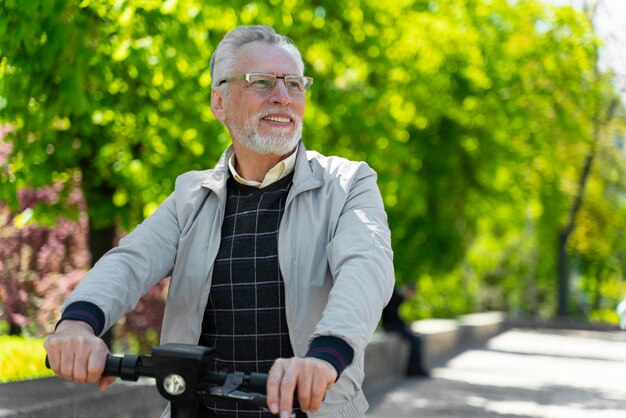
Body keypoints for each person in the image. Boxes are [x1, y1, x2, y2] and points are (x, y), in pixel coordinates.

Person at [44, 25, 395, 418]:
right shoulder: (190, 196)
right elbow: (129, 261)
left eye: (294, 84)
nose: (282, 97)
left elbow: (366, 269)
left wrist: (325, 357)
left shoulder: (349, 184)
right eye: (261, 82)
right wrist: (76, 324)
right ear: (219, 103)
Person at [381, 284, 429, 377]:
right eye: (412, 293)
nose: (411, 297)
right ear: (408, 290)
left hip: (394, 325)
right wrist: (405, 326)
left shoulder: (399, 297)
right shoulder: (395, 296)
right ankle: (413, 369)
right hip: (390, 326)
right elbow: (391, 316)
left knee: (417, 338)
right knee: (416, 339)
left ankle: (414, 368)